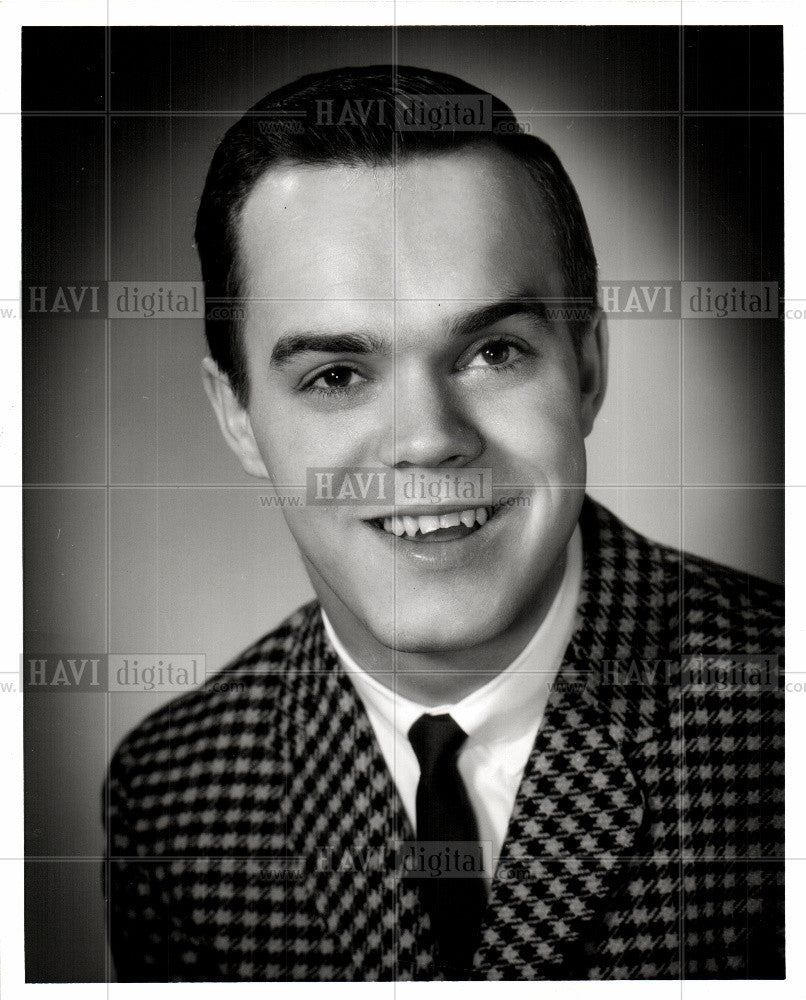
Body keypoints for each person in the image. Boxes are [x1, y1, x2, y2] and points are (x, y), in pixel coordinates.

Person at [104, 65, 784, 982]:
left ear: (586, 367)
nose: (426, 442)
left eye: (493, 352)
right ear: (237, 416)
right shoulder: (172, 795)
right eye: (337, 376)